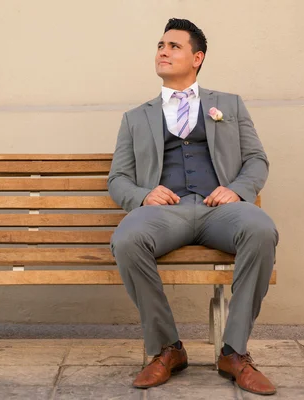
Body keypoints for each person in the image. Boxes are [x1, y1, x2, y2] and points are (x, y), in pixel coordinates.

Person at [107, 18, 279, 395]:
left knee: (261, 229)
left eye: (174, 46)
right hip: (165, 213)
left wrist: (236, 189)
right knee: (127, 239)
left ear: (197, 58)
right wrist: (142, 196)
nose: (163, 52)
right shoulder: (135, 118)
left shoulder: (229, 105)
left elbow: (256, 160)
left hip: (221, 208)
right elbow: (117, 178)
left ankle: (233, 352)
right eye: (160, 45)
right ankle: (167, 349)